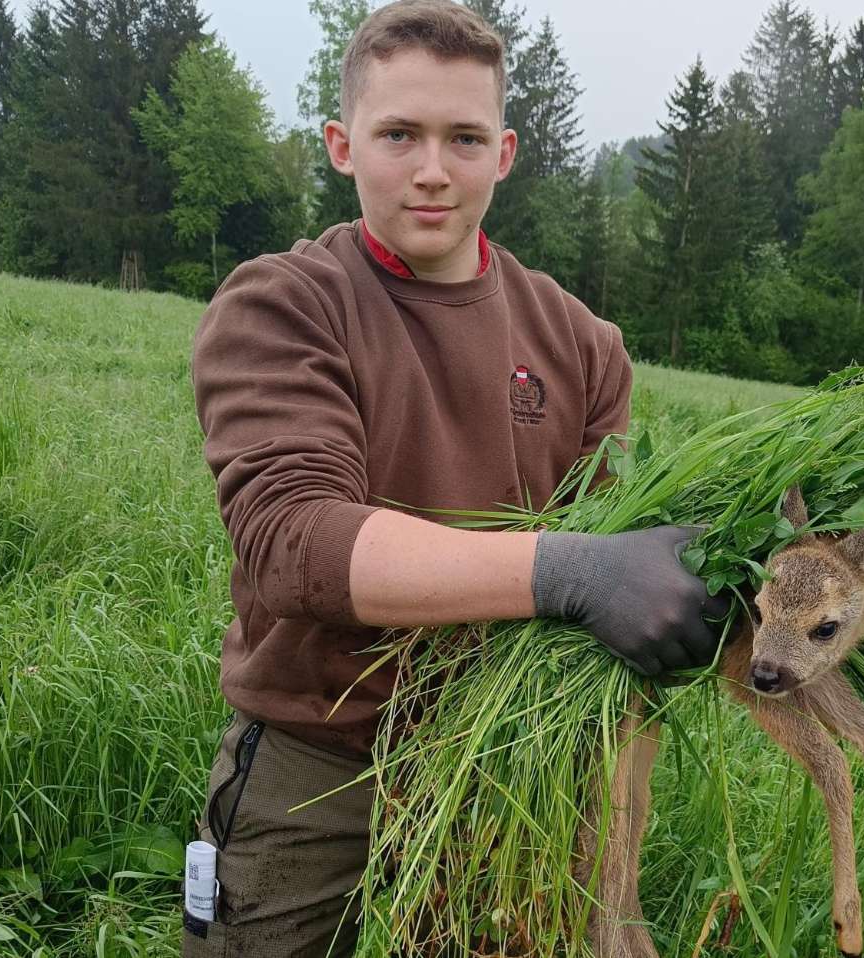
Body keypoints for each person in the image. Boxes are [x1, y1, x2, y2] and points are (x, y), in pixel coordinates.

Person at [183, 2, 726, 955]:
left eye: (464, 138)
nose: (433, 170)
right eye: (400, 133)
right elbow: (296, 545)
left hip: (507, 763)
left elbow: (617, 568)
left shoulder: (584, 346)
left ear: (505, 153)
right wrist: (572, 572)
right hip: (321, 750)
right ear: (342, 144)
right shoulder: (282, 303)